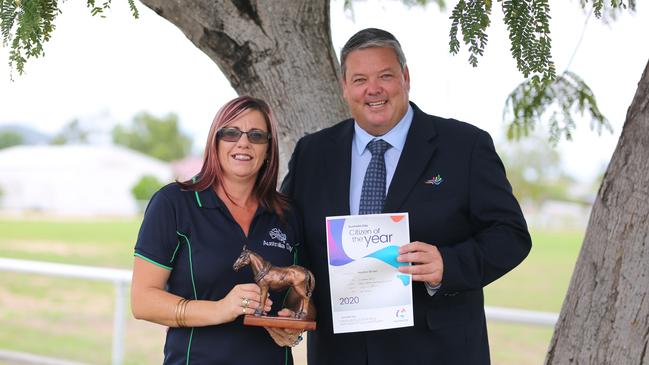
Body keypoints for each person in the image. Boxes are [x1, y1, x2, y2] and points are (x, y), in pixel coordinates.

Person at [280, 28, 532, 364]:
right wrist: (288, 302)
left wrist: (448, 265)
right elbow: (287, 239)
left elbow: (511, 235)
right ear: (344, 87)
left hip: (437, 351)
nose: (374, 89)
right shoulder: (313, 153)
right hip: (340, 352)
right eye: (359, 79)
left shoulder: (464, 147)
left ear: (405, 77)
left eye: (385, 76)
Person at [130, 96, 304, 365]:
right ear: (216, 141)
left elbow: (300, 294)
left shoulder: (287, 213)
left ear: (269, 149)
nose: (243, 142)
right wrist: (221, 309)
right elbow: (142, 301)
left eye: (256, 135)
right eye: (231, 133)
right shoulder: (174, 203)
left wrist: (293, 325)